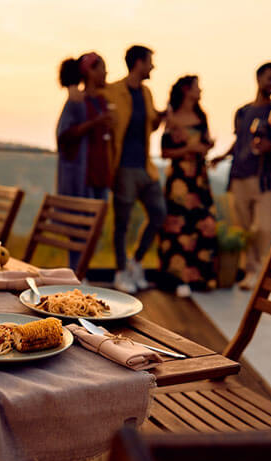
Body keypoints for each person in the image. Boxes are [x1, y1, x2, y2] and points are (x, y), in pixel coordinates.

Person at [211, 62, 271, 290]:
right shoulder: (242, 112)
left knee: (264, 228)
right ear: (258, 79)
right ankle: (251, 272)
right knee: (244, 229)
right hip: (239, 176)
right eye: (270, 78)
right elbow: (240, 142)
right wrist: (221, 157)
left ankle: (261, 271)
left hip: (266, 179)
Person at [103, 45, 167, 294]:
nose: (153, 67)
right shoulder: (113, 91)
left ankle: (136, 262)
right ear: (138, 63)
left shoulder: (147, 93)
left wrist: (159, 118)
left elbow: (148, 127)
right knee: (123, 222)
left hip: (145, 167)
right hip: (124, 168)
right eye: (150, 62)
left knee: (159, 214)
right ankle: (120, 271)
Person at [158, 76, 218, 298]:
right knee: (179, 227)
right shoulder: (172, 117)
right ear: (186, 90)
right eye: (197, 87)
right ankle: (177, 279)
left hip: (199, 178)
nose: (200, 90)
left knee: (204, 223)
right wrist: (187, 150)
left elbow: (204, 145)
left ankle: (200, 278)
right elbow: (164, 152)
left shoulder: (201, 116)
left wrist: (205, 147)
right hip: (180, 181)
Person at [55, 53, 113, 269]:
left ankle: (81, 274)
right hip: (82, 175)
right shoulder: (76, 102)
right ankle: (77, 276)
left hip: (100, 172)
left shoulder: (102, 100)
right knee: (79, 231)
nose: (106, 73)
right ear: (90, 71)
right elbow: (63, 135)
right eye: (103, 68)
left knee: (94, 233)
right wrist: (94, 123)